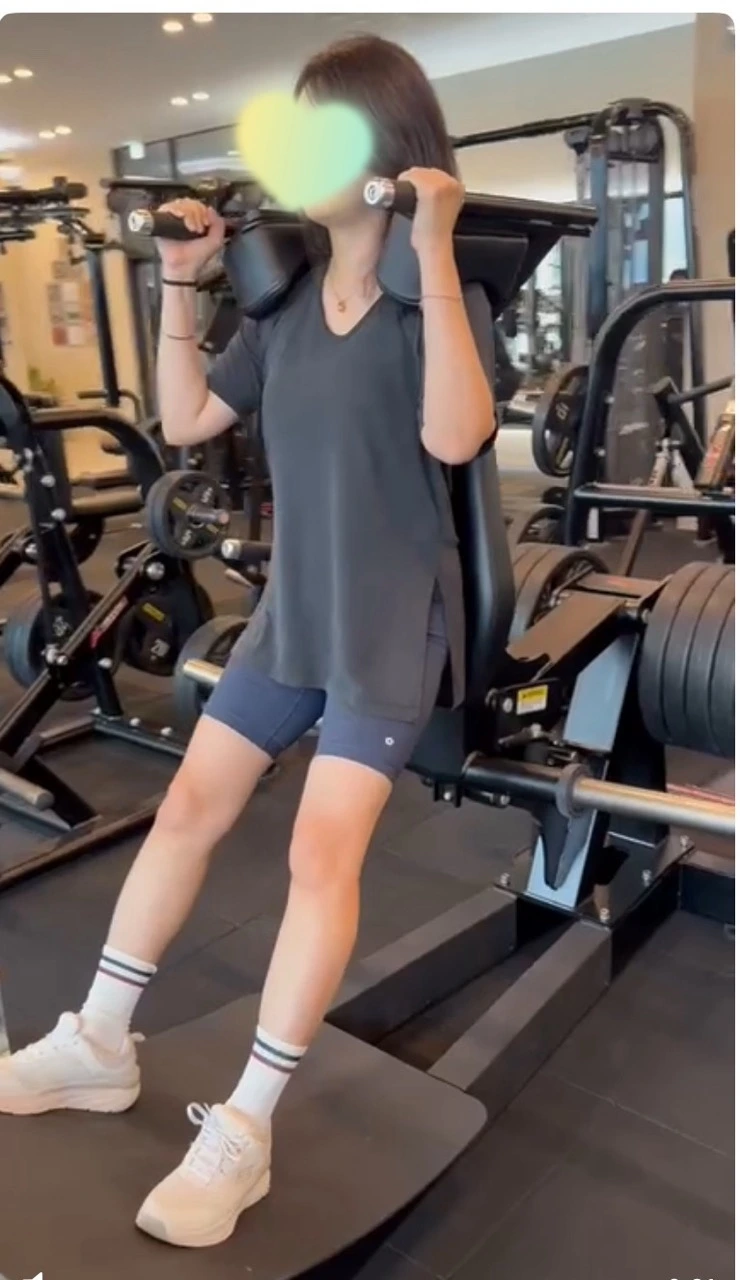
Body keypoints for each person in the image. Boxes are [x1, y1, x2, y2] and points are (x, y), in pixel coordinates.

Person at [0, 34, 496, 1248]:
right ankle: (100, 1039)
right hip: (292, 615)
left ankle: (248, 1125)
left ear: (383, 151)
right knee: (186, 808)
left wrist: (433, 250)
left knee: (319, 858)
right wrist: (181, 281)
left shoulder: (433, 300)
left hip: (387, 623)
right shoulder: (280, 310)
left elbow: (453, 437)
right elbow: (182, 420)